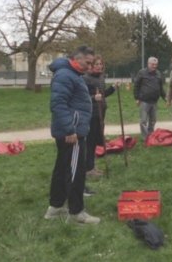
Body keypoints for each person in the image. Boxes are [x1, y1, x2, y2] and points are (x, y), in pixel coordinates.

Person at [44, 46, 100, 224]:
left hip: (71, 130)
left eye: (92, 63)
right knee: (76, 172)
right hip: (72, 133)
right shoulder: (65, 75)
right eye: (87, 62)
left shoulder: (72, 75)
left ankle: (55, 207)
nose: (89, 67)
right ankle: (76, 213)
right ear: (77, 58)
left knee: (62, 169)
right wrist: (70, 129)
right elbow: (58, 104)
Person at [83, 55, 117, 183]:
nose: (99, 66)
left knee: (97, 140)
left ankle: (92, 166)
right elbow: (83, 97)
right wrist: (93, 98)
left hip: (101, 113)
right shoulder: (86, 78)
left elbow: (102, 96)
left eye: (100, 64)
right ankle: (88, 169)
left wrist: (113, 88)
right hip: (91, 114)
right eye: (96, 64)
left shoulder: (101, 78)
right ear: (91, 66)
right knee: (90, 142)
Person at [133, 57, 166, 140]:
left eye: (156, 64)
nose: (154, 66)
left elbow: (160, 87)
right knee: (143, 121)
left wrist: (165, 97)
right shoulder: (142, 72)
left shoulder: (158, 73)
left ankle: (151, 135)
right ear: (148, 64)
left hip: (154, 101)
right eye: (152, 64)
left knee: (153, 120)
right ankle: (145, 137)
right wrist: (137, 98)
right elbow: (136, 85)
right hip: (144, 101)